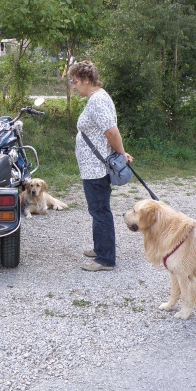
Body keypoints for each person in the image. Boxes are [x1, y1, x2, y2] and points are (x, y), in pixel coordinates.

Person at [69, 60, 134, 272]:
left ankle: (106, 259)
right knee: (97, 209)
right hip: (92, 167)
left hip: (97, 168)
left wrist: (121, 154)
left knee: (100, 211)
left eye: (75, 81)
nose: (74, 85)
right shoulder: (98, 98)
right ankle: (100, 249)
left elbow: (111, 132)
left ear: (87, 79)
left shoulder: (97, 100)